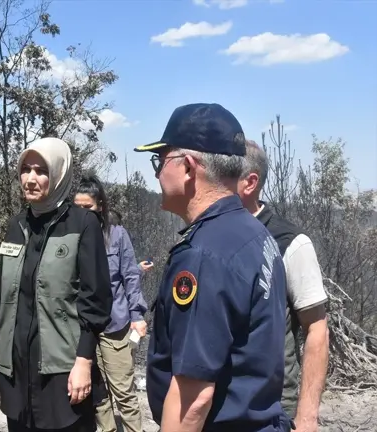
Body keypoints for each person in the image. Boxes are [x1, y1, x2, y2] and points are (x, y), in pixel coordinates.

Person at [136, 103, 291, 431]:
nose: (156, 172)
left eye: (159, 161)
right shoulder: (253, 232)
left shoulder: (204, 255)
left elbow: (193, 397)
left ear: (189, 167)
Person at [0, 137, 114, 432]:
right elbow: (4, 298)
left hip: (61, 367)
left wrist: (84, 361)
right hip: (18, 366)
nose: (30, 179)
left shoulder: (83, 224)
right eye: (25, 169)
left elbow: (95, 299)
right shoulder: (16, 226)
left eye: (41, 170)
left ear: (58, 174)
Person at [238, 140, 330, 431]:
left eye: (225, 174)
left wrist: (306, 418)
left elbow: (316, 328)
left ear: (250, 182)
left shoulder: (290, 242)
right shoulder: (207, 235)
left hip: (273, 409)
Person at [73, 175, 147, 432]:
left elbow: (130, 275)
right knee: (98, 394)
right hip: (84, 329)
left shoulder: (117, 235)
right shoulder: (72, 238)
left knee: (123, 391)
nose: (83, 213)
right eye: (78, 208)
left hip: (115, 325)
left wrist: (137, 315)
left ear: (100, 206)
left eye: (88, 208)